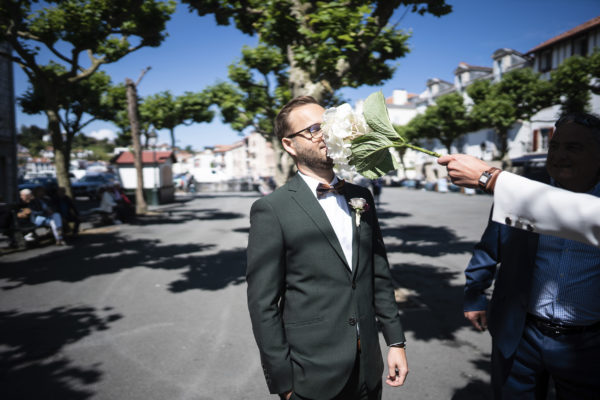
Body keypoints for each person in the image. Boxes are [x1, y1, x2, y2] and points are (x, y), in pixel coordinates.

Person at [247, 96, 408, 400]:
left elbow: (378, 273)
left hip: (368, 368)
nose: (325, 133)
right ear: (289, 145)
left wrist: (395, 342)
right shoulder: (271, 209)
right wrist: (284, 382)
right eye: (313, 129)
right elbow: (263, 303)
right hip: (311, 374)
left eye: (328, 125)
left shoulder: (361, 197)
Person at [460, 112, 600, 399]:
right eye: (555, 146)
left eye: (573, 147)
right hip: (522, 332)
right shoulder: (525, 193)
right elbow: (489, 247)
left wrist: (490, 178)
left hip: (589, 344)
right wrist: (475, 293)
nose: (559, 156)